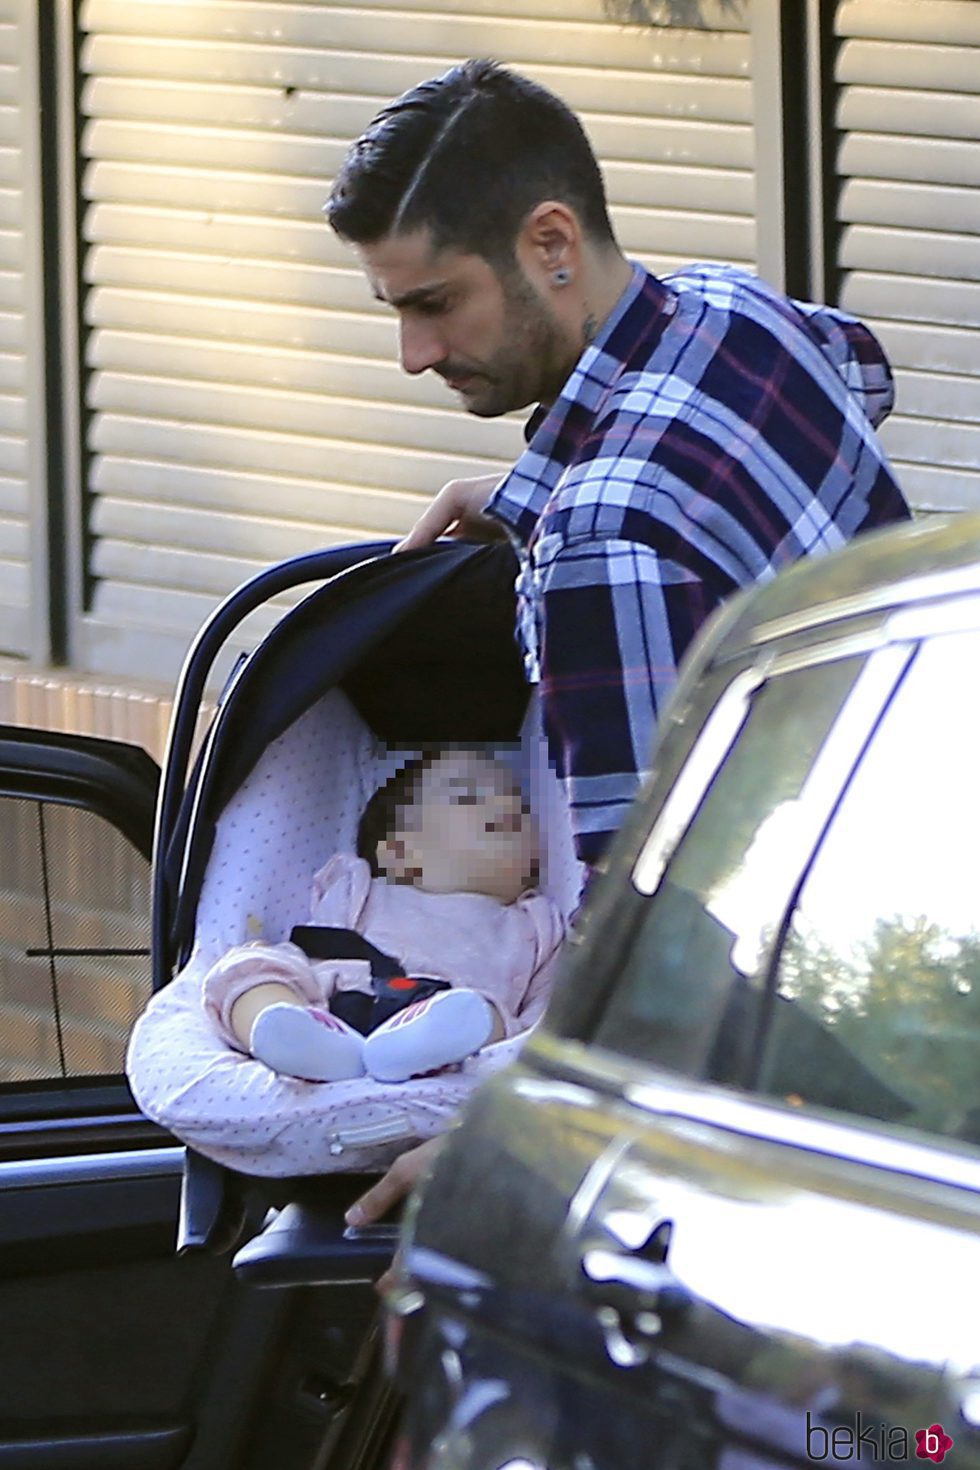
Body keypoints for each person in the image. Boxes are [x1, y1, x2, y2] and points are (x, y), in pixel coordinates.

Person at [325, 56, 911, 1219]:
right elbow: (861, 366)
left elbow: (647, 924)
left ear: (550, 244)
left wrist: (513, 1140)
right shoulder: (729, 311)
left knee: (856, 1421)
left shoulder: (605, 543)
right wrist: (538, 492)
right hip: (925, 930)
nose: (414, 355)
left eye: (433, 302)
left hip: (835, 1064)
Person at [202, 748, 565, 1084]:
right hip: (336, 1003)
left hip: (452, 1027)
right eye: (467, 796)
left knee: (493, 1018)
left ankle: (411, 1049)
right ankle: (298, 1039)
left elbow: (544, 1016)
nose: (506, 804)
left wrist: (508, 1037)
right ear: (399, 854)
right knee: (248, 968)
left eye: (519, 804)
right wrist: (291, 991)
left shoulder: (536, 922)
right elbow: (316, 943)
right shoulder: (360, 886)